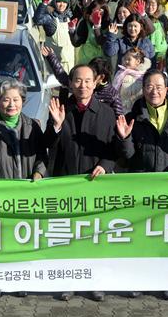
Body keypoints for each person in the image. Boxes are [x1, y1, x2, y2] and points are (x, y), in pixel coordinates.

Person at [115, 69, 168, 300]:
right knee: (141, 235)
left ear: (167, 89)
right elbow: (128, 157)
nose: (154, 91)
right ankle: (139, 280)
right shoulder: (134, 115)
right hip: (142, 185)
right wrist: (124, 138)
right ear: (142, 90)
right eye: (149, 87)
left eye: (159, 87)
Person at [46, 64, 119, 302]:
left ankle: (95, 282)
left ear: (96, 82)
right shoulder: (61, 109)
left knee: (94, 235)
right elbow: (47, 144)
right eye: (77, 80)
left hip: (94, 184)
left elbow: (115, 149)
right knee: (68, 235)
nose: (82, 86)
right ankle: (68, 281)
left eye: (88, 81)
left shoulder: (107, 113)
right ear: (70, 83)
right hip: (65, 182)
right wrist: (56, 125)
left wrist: (106, 165)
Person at [0, 79, 47, 180]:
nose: (11, 105)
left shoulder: (32, 126)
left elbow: (42, 155)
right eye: (6, 100)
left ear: (22, 101)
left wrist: (39, 172)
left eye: (15, 100)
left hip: (26, 191)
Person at [112, 48, 151, 113]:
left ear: (137, 61)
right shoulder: (121, 73)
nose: (126, 61)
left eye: (129, 59)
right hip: (121, 110)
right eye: (125, 59)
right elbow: (113, 90)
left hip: (139, 111)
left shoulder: (145, 76)